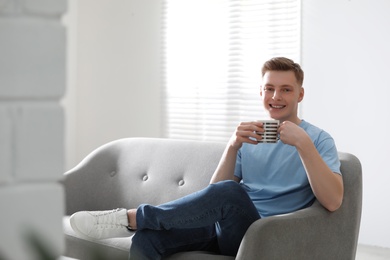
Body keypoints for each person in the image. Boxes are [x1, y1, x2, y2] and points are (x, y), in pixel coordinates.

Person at [69, 57, 344, 259]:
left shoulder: (318, 139)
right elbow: (217, 191)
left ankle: (131, 217)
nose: (276, 96)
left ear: (300, 94)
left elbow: (333, 201)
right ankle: (139, 223)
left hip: (267, 234)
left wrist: (303, 144)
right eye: (269, 88)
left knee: (230, 192)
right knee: (147, 239)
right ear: (260, 92)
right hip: (225, 230)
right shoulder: (251, 136)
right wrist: (233, 145)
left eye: (286, 89)